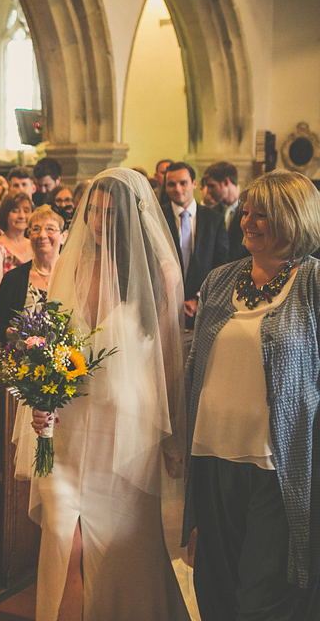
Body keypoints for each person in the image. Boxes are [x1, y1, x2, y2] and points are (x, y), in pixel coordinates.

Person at [26, 167, 189, 620]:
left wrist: (174, 434)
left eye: (108, 213)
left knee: (120, 553)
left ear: (131, 216)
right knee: (65, 537)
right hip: (71, 426)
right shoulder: (72, 262)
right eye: (92, 211)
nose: (97, 223)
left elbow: (171, 360)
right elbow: (52, 345)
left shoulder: (162, 274)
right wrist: (42, 395)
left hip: (128, 433)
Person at [183, 170, 320, 619]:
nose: (249, 222)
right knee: (216, 584)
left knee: (263, 593)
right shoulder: (222, 279)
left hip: (276, 462)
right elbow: (194, 364)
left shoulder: (313, 283)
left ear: (294, 219)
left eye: (263, 214)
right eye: (246, 211)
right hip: (211, 454)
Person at [160, 161, 229, 328]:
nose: (177, 189)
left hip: (203, 310)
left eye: (183, 183)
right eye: (171, 184)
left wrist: (198, 299)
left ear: (194, 183)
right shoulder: (157, 217)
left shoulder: (214, 220)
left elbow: (222, 266)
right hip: (164, 308)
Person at [0, 205, 66, 342]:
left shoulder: (73, 277)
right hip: (20, 359)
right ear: (29, 235)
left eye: (50, 229)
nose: (42, 235)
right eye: (36, 229)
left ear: (63, 236)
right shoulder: (13, 278)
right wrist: (20, 336)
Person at [0, 191, 34, 330]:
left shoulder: (34, 245)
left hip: (32, 316)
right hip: (3, 321)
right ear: (5, 214)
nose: (22, 216)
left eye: (26, 210)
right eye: (15, 211)